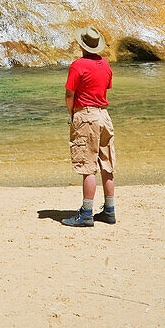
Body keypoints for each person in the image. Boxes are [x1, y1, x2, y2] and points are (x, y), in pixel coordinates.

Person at [61, 26, 116, 228]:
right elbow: (105, 89)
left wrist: (73, 113)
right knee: (106, 165)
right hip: (104, 115)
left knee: (88, 167)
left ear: (81, 45)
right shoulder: (106, 65)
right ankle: (109, 210)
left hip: (86, 115)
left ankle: (86, 213)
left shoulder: (78, 65)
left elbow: (69, 95)